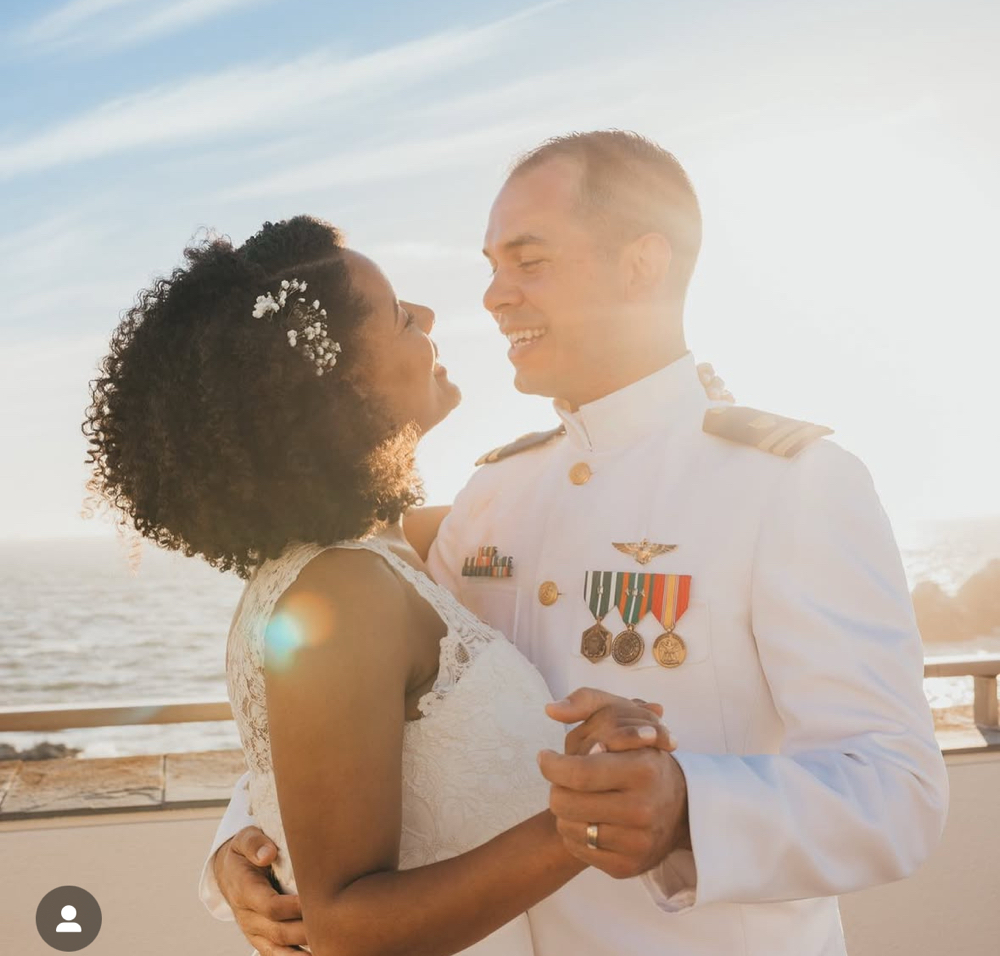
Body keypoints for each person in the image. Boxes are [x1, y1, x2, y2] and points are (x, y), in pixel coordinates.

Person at [206, 131, 949, 956]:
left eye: (529, 262)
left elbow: (897, 790)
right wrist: (241, 839)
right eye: (491, 265)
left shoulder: (788, 484)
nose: (493, 296)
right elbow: (384, 713)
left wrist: (685, 806)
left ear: (642, 265)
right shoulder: (494, 494)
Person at [83, 215, 680, 956]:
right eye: (400, 315)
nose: (430, 318)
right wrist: (592, 820)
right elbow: (345, 929)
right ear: (343, 385)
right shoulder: (340, 592)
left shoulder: (391, 547)